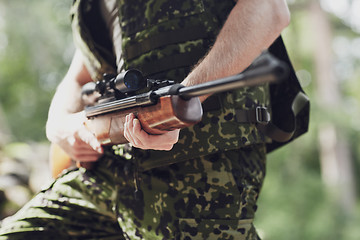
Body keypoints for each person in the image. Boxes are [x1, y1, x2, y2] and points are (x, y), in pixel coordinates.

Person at [0, 0, 291, 239]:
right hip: (107, 171)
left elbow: (268, 11)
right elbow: (81, 77)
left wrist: (183, 103)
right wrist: (59, 125)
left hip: (204, 168)